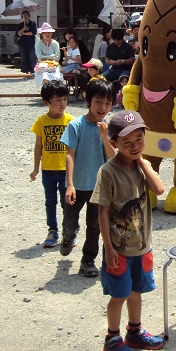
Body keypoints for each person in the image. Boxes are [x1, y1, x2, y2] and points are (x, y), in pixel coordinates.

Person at [91, 110, 165, 351]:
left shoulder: (142, 167)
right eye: (127, 143)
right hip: (119, 248)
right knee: (119, 294)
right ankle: (112, 339)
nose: (134, 147)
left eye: (139, 140)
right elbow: (102, 211)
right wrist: (108, 247)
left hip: (142, 246)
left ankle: (134, 332)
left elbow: (159, 188)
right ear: (114, 144)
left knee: (136, 291)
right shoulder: (108, 171)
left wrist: (143, 162)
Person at [60, 79, 116, 277]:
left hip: (98, 188)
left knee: (95, 226)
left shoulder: (107, 128)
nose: (102, 107)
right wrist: (69, 184)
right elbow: (70, 154)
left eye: (107, 103)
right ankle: (68, 236)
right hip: (77, 186)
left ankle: (88, 260)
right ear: (88, 99)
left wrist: (104, 137)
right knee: (70, 221)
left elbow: (113, 157)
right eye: (98, 101)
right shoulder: (76, 125)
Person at [30, 80, 74, 248]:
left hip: (66, 171)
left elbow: (75, 147)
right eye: (57, 100)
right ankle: (52, 231)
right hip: (47, 170)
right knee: (50, 202)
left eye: (64, 99)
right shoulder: (41, 122)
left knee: (67, 203)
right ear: (46, 102)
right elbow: (38, 146)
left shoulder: (71, 121)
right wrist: (35, 169)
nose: (62, 103)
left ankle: (68, 231)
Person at [34, 22, 62, 87]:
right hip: (42, 66)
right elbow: (39, 57)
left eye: (49, 32)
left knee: (57, 77)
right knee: (44, 77)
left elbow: (57, 58)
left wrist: (45, 58)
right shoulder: (38, 44)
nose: (47, 34)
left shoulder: (56, 44)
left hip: (54, 66)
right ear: (42, 34)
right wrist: (51, 56)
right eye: (45, 32)